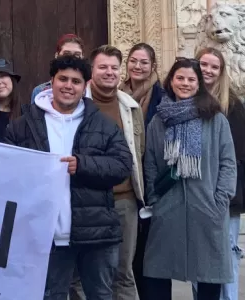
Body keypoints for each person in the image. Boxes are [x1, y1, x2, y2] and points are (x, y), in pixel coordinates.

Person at [5, 55, 132, 300]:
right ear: (51, 82)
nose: (68, 86)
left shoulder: (103, 125)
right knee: (50, 296)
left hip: (95, 233)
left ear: (85, 87)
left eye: (76, 81)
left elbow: (122, 165)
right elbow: (7, 170)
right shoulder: (22, 126)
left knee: (101, 295)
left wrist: (83, 164)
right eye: (62, 79)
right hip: (45, 235)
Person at [143, 58, 236, 300]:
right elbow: (150, 161)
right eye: (180, 78)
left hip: (206, 208)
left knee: (208, 278)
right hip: (167, 208)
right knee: (158, 277)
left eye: (191, 79)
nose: (185, 83)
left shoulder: (215, 118)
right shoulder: (158, 119)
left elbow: (227, 162)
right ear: (171, 82)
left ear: (199, 84)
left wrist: (220, 201)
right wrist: (155, 199)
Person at [78, 45, 144, 300]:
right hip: (87, 201)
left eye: (114, 68)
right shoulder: (76, 104)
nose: (109, 72)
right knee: (85, 274)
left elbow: (140, 151)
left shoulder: (131, 107)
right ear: (91, 70)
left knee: (123, 272)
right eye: (102, 67)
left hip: (124, 201)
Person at [191, 47, 245, 300]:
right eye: (203, 64)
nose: (208, 70)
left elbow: (238, 155)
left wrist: (228, 192)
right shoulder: (186, 101)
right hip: (194, 193)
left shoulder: (232, 106)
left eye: (214, 66)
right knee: (198, 257)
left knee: (227, 253)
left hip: (225, 195)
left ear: (221, 72)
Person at [118, 43, 165, 300]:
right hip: (126, 184)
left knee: (149, 257)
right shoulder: (118, 93)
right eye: (134, 61)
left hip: (151, 184)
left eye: (144, 62)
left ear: (152, 66)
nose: (138, 66)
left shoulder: (161, 97)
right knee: (129, 257)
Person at [31, 34, 84, 103]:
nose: (72, 58)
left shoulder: (89, 90)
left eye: (77, 55)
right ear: (57, 55)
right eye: (66, 54)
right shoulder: (40, 91)